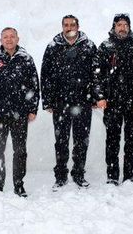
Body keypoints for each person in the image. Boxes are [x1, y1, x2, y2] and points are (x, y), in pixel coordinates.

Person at [0, 27, 40, 197]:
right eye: (5, 37)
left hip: (20, 113)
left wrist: (32, 108)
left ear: (18, 39)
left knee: (20, 151)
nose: (9, 39)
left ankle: (19, 184)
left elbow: (34, 85)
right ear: (1, 40)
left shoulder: (26, 59)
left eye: (12, 36)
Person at [40, 14, 98, 190]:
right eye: (66, 25)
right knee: (61, 141)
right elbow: (46, 75)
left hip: (83, 101)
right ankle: (61, 175)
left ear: (78, 26)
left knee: (81, 140)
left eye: (72, 24)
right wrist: (48, 101)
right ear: (62, 27)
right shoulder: (53, 47)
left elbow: (96, 73)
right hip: (60, 102)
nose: (69, 27)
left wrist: (95, 97)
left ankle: (79, 174)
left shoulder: (89, 46)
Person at [94, 13, 133, 185]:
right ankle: (112, 176)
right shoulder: (105, 47)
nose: (122, 28)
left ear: (129, 27)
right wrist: (100, 96)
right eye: (119, 25)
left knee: (132, 140)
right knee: (112, 140)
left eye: (125, 25)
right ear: (114, 27)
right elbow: (97, 74)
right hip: (112, 102)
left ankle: (130, 175)